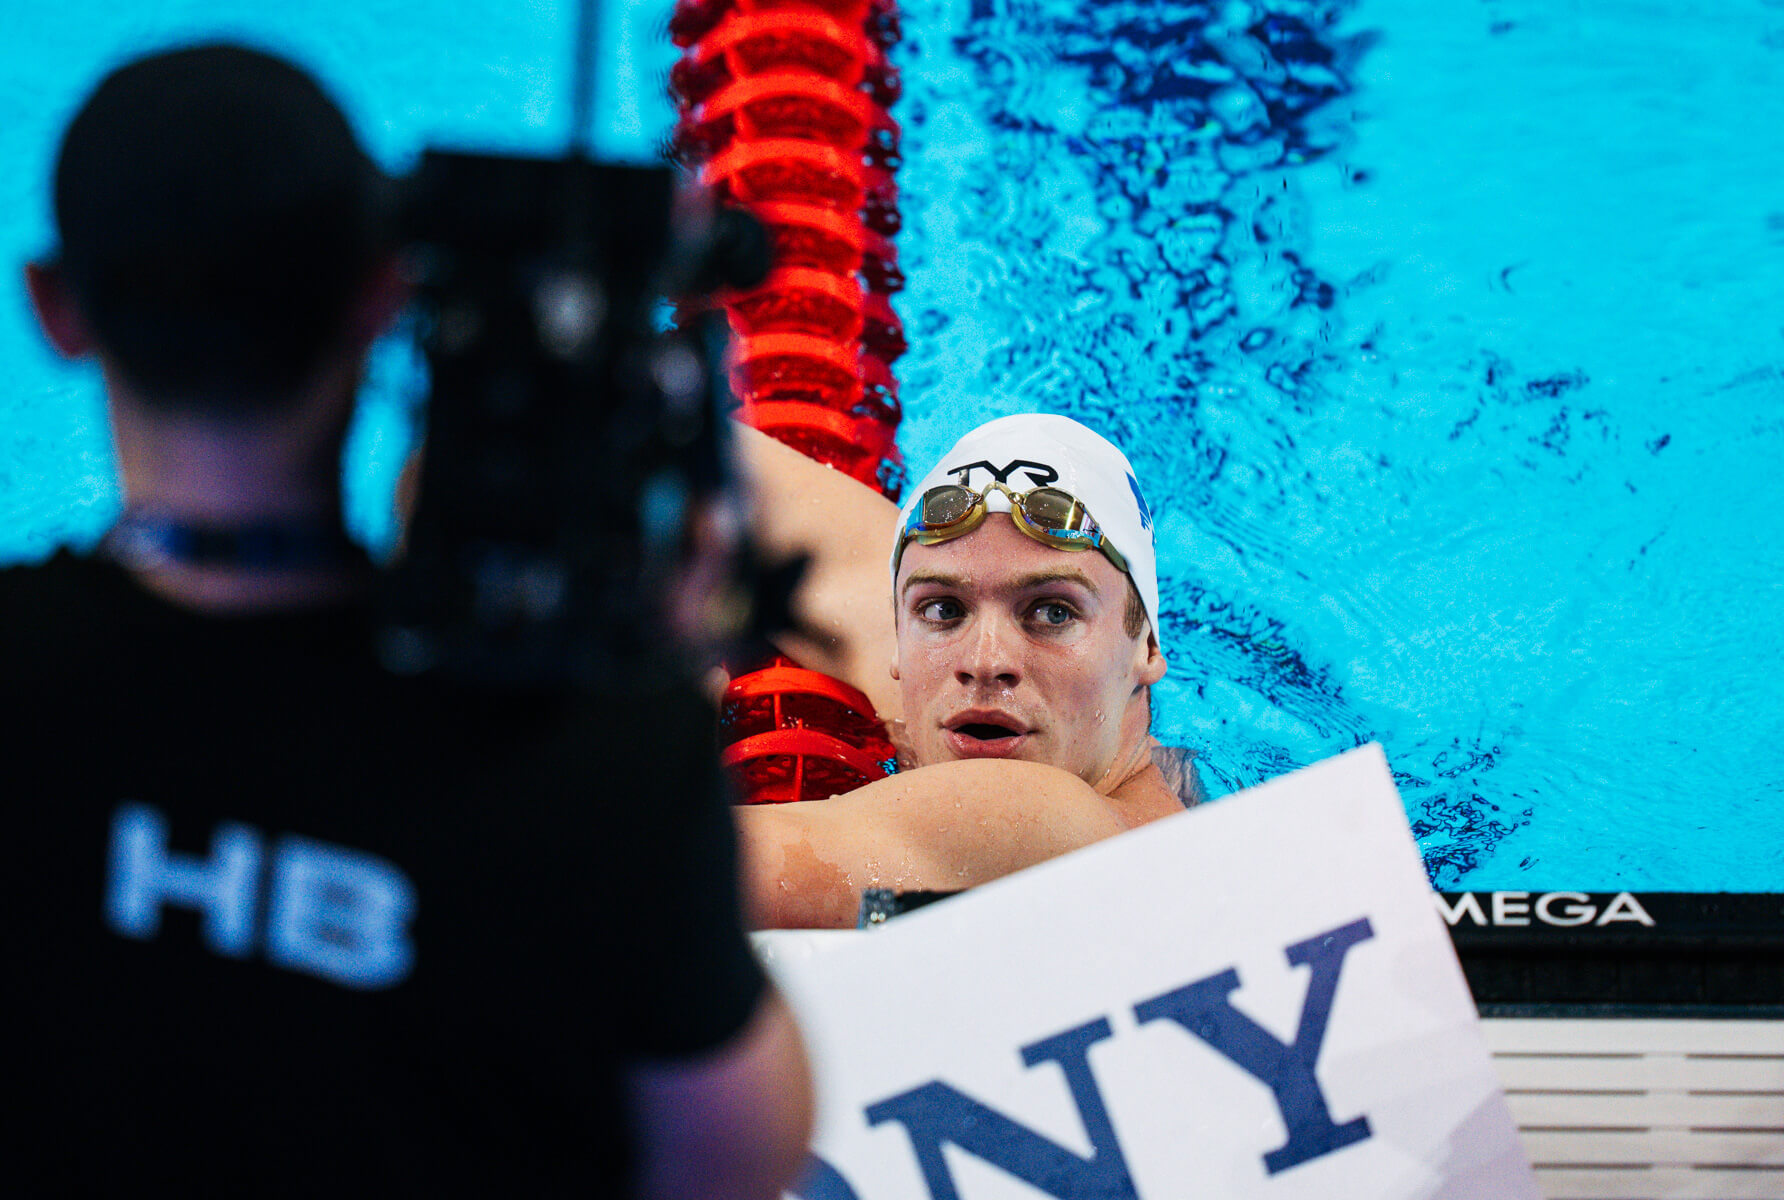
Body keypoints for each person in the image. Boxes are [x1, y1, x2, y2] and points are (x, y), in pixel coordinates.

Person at [4, 44, 810, 1196]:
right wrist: (658, 702)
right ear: (383, 293)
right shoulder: (593, 757)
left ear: (57, 312)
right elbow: (734, 1161)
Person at [734, 413, 1191, 928]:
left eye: (1052, 612)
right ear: (900, 637)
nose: (983, 661)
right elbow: (747, 489)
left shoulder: (1059, 826)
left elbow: (661, 878)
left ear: (1147, 646)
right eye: (944, 609)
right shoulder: (1033, 712)